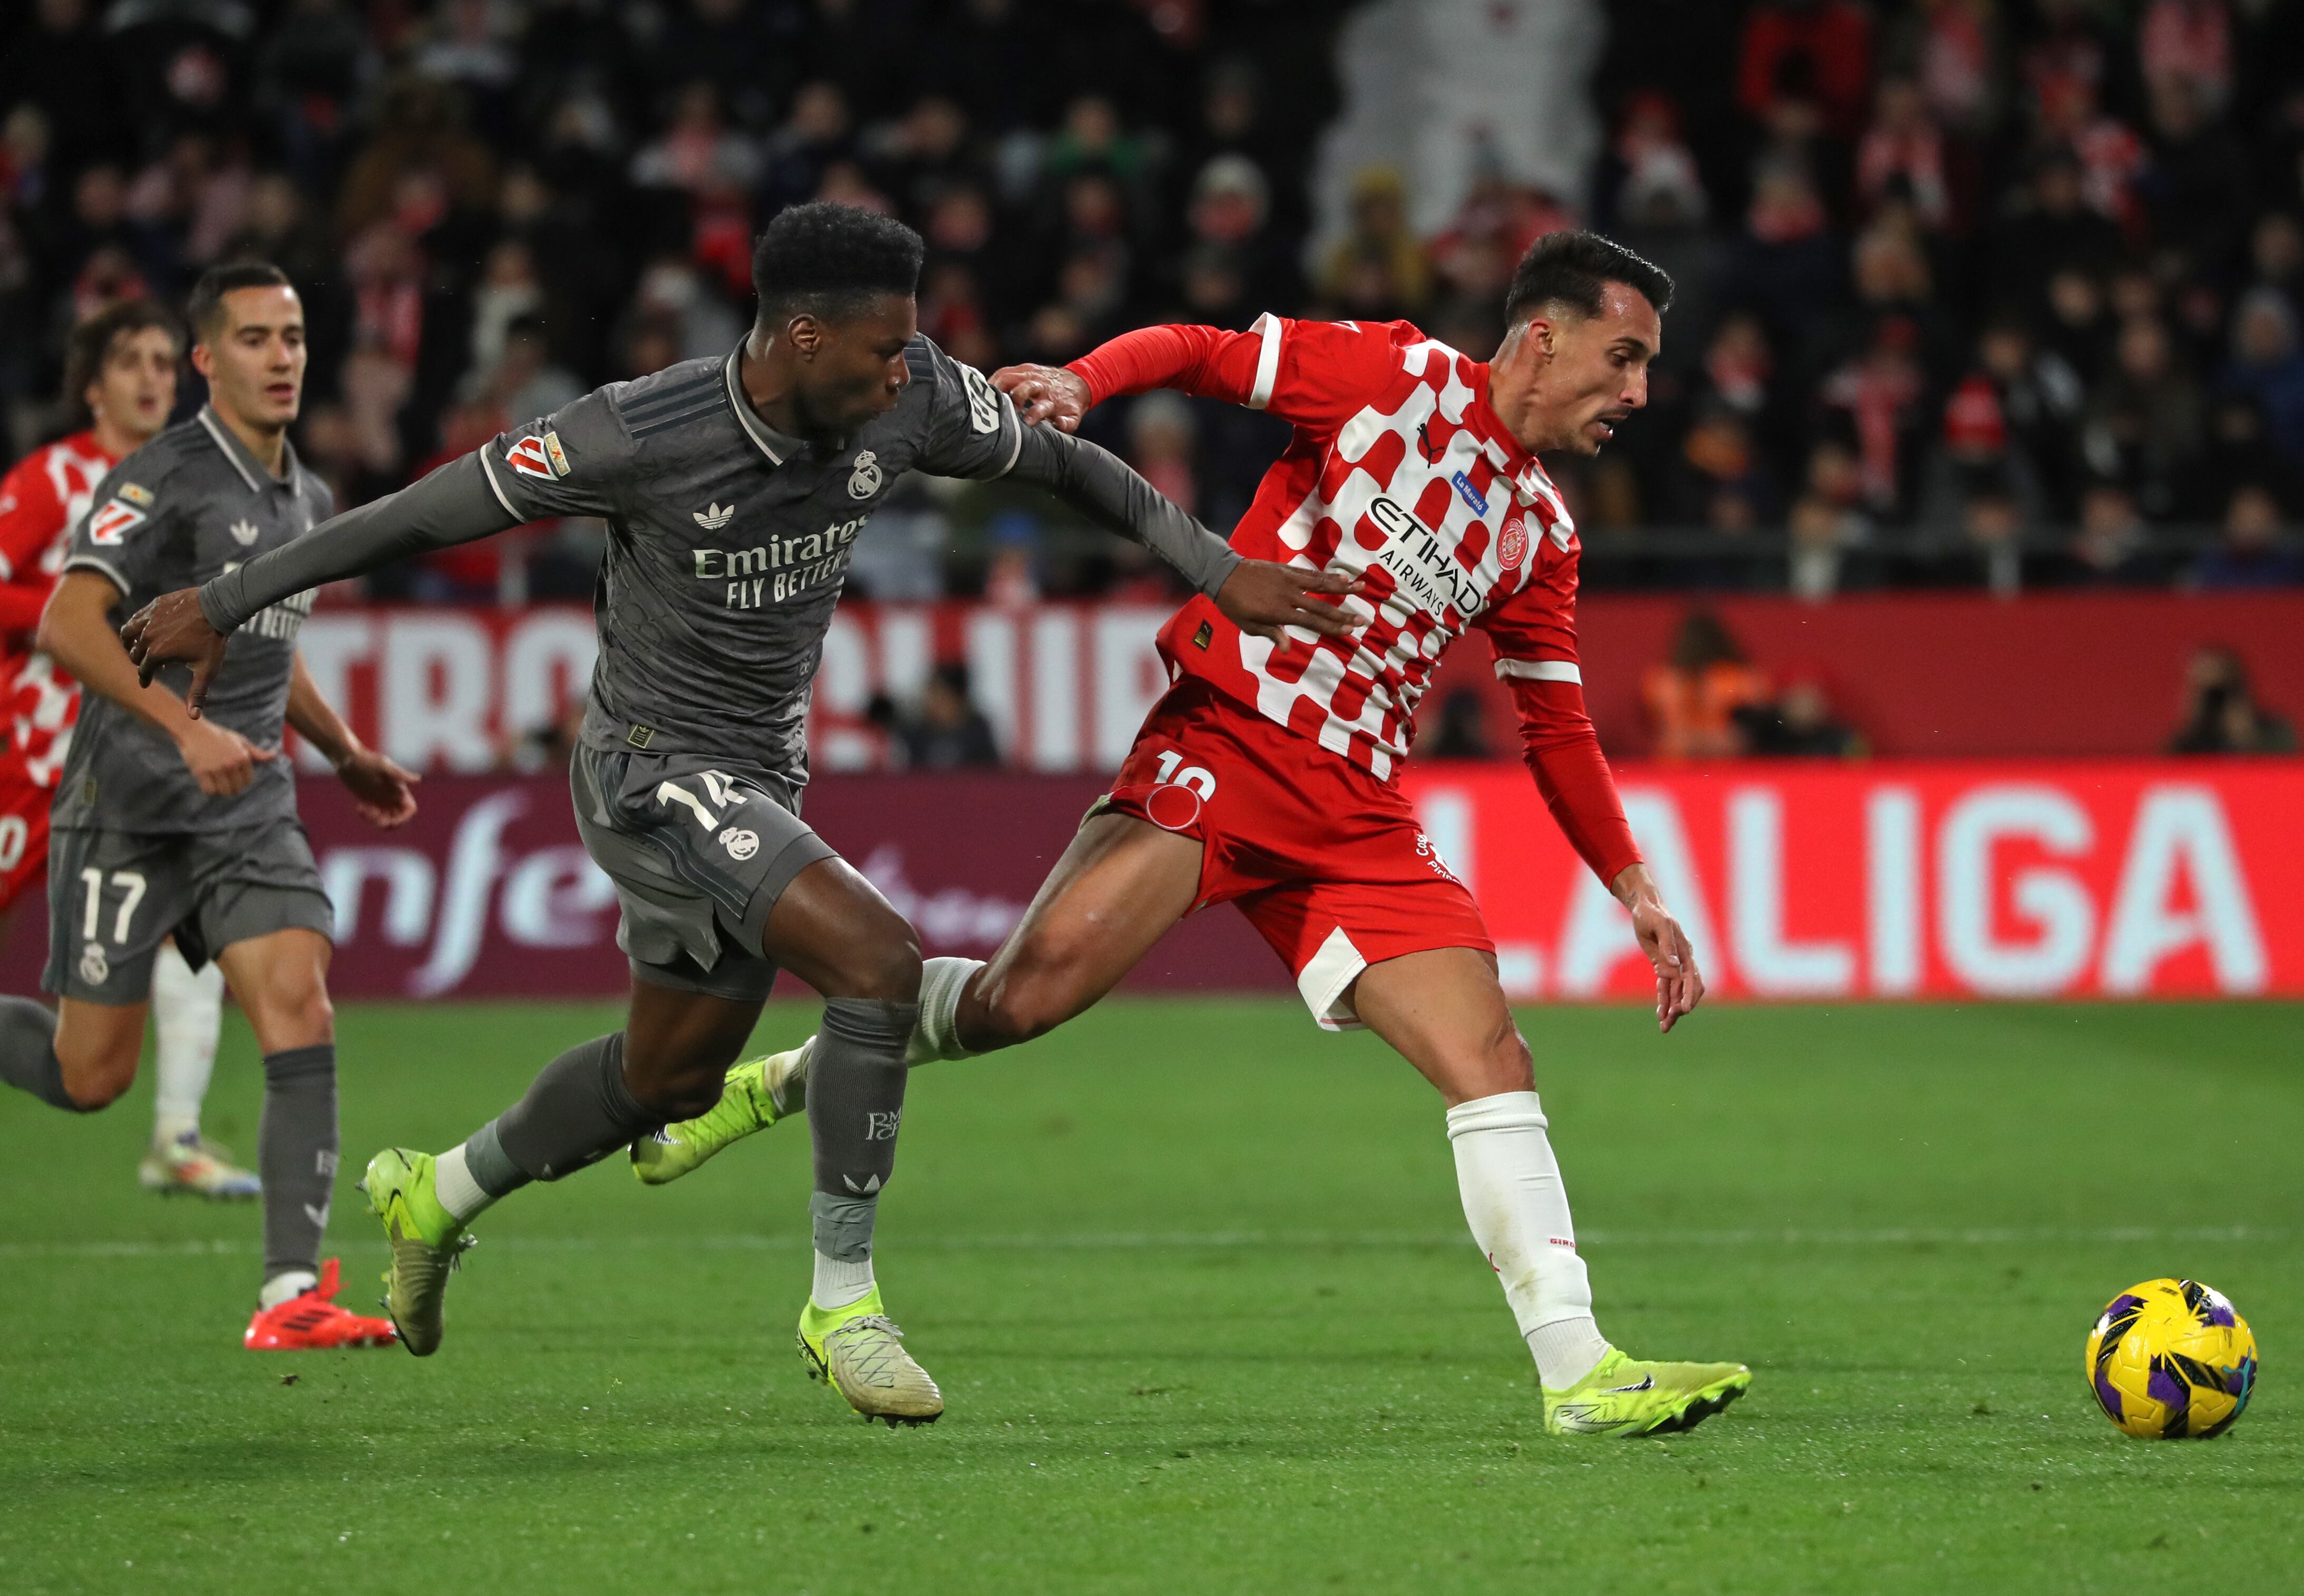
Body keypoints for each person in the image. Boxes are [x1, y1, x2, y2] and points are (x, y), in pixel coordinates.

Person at [121, 203, 1352, 1423]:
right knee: (877, 959)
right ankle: (842, 1303)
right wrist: (230, 595)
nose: (902, 374)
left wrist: (1214, 567)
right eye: (880, 352)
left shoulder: (913, 390)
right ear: (804, 338)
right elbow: (430, 509)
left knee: (662, 1078)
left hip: (758, 772)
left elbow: (1064, 463)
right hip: (651, 767)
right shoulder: (641, 429)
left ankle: (436, 1189)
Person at [640, 231, 1752, 1439]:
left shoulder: (1541, 533)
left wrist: (1634, 887)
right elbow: (1203, 351)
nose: (1637, 392)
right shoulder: (1386, 375)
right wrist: (1081, 382)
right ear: (1543, 336)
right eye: (1623, 355)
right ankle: (792, 1079)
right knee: (1018, 1003)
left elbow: (1556, 724)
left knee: (1489, 1058)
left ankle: (1577, 1369)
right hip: (1227, 746)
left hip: (1357, 817)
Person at [0, 262, 415, 1350]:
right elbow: (69, 624)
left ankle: (291, 1295)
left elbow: (272, 648)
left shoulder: (305, 496)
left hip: (247, 802)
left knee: (298, 997)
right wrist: (185, 729)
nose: (281, 357)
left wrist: (347, 749)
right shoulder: (164, 474)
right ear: (207, 359)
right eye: (254, 338)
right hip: (131, 801)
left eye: (292, 336)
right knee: (91, 1077)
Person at [0, 301, 252, 1198]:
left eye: (161, 362)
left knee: (198, 931)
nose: (152, 379)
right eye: (130, 363)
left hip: (142, 757)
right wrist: (76, 621)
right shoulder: (50, 481)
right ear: (93, 383)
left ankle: (178, 1138)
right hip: (36, 757)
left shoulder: (191, 482)